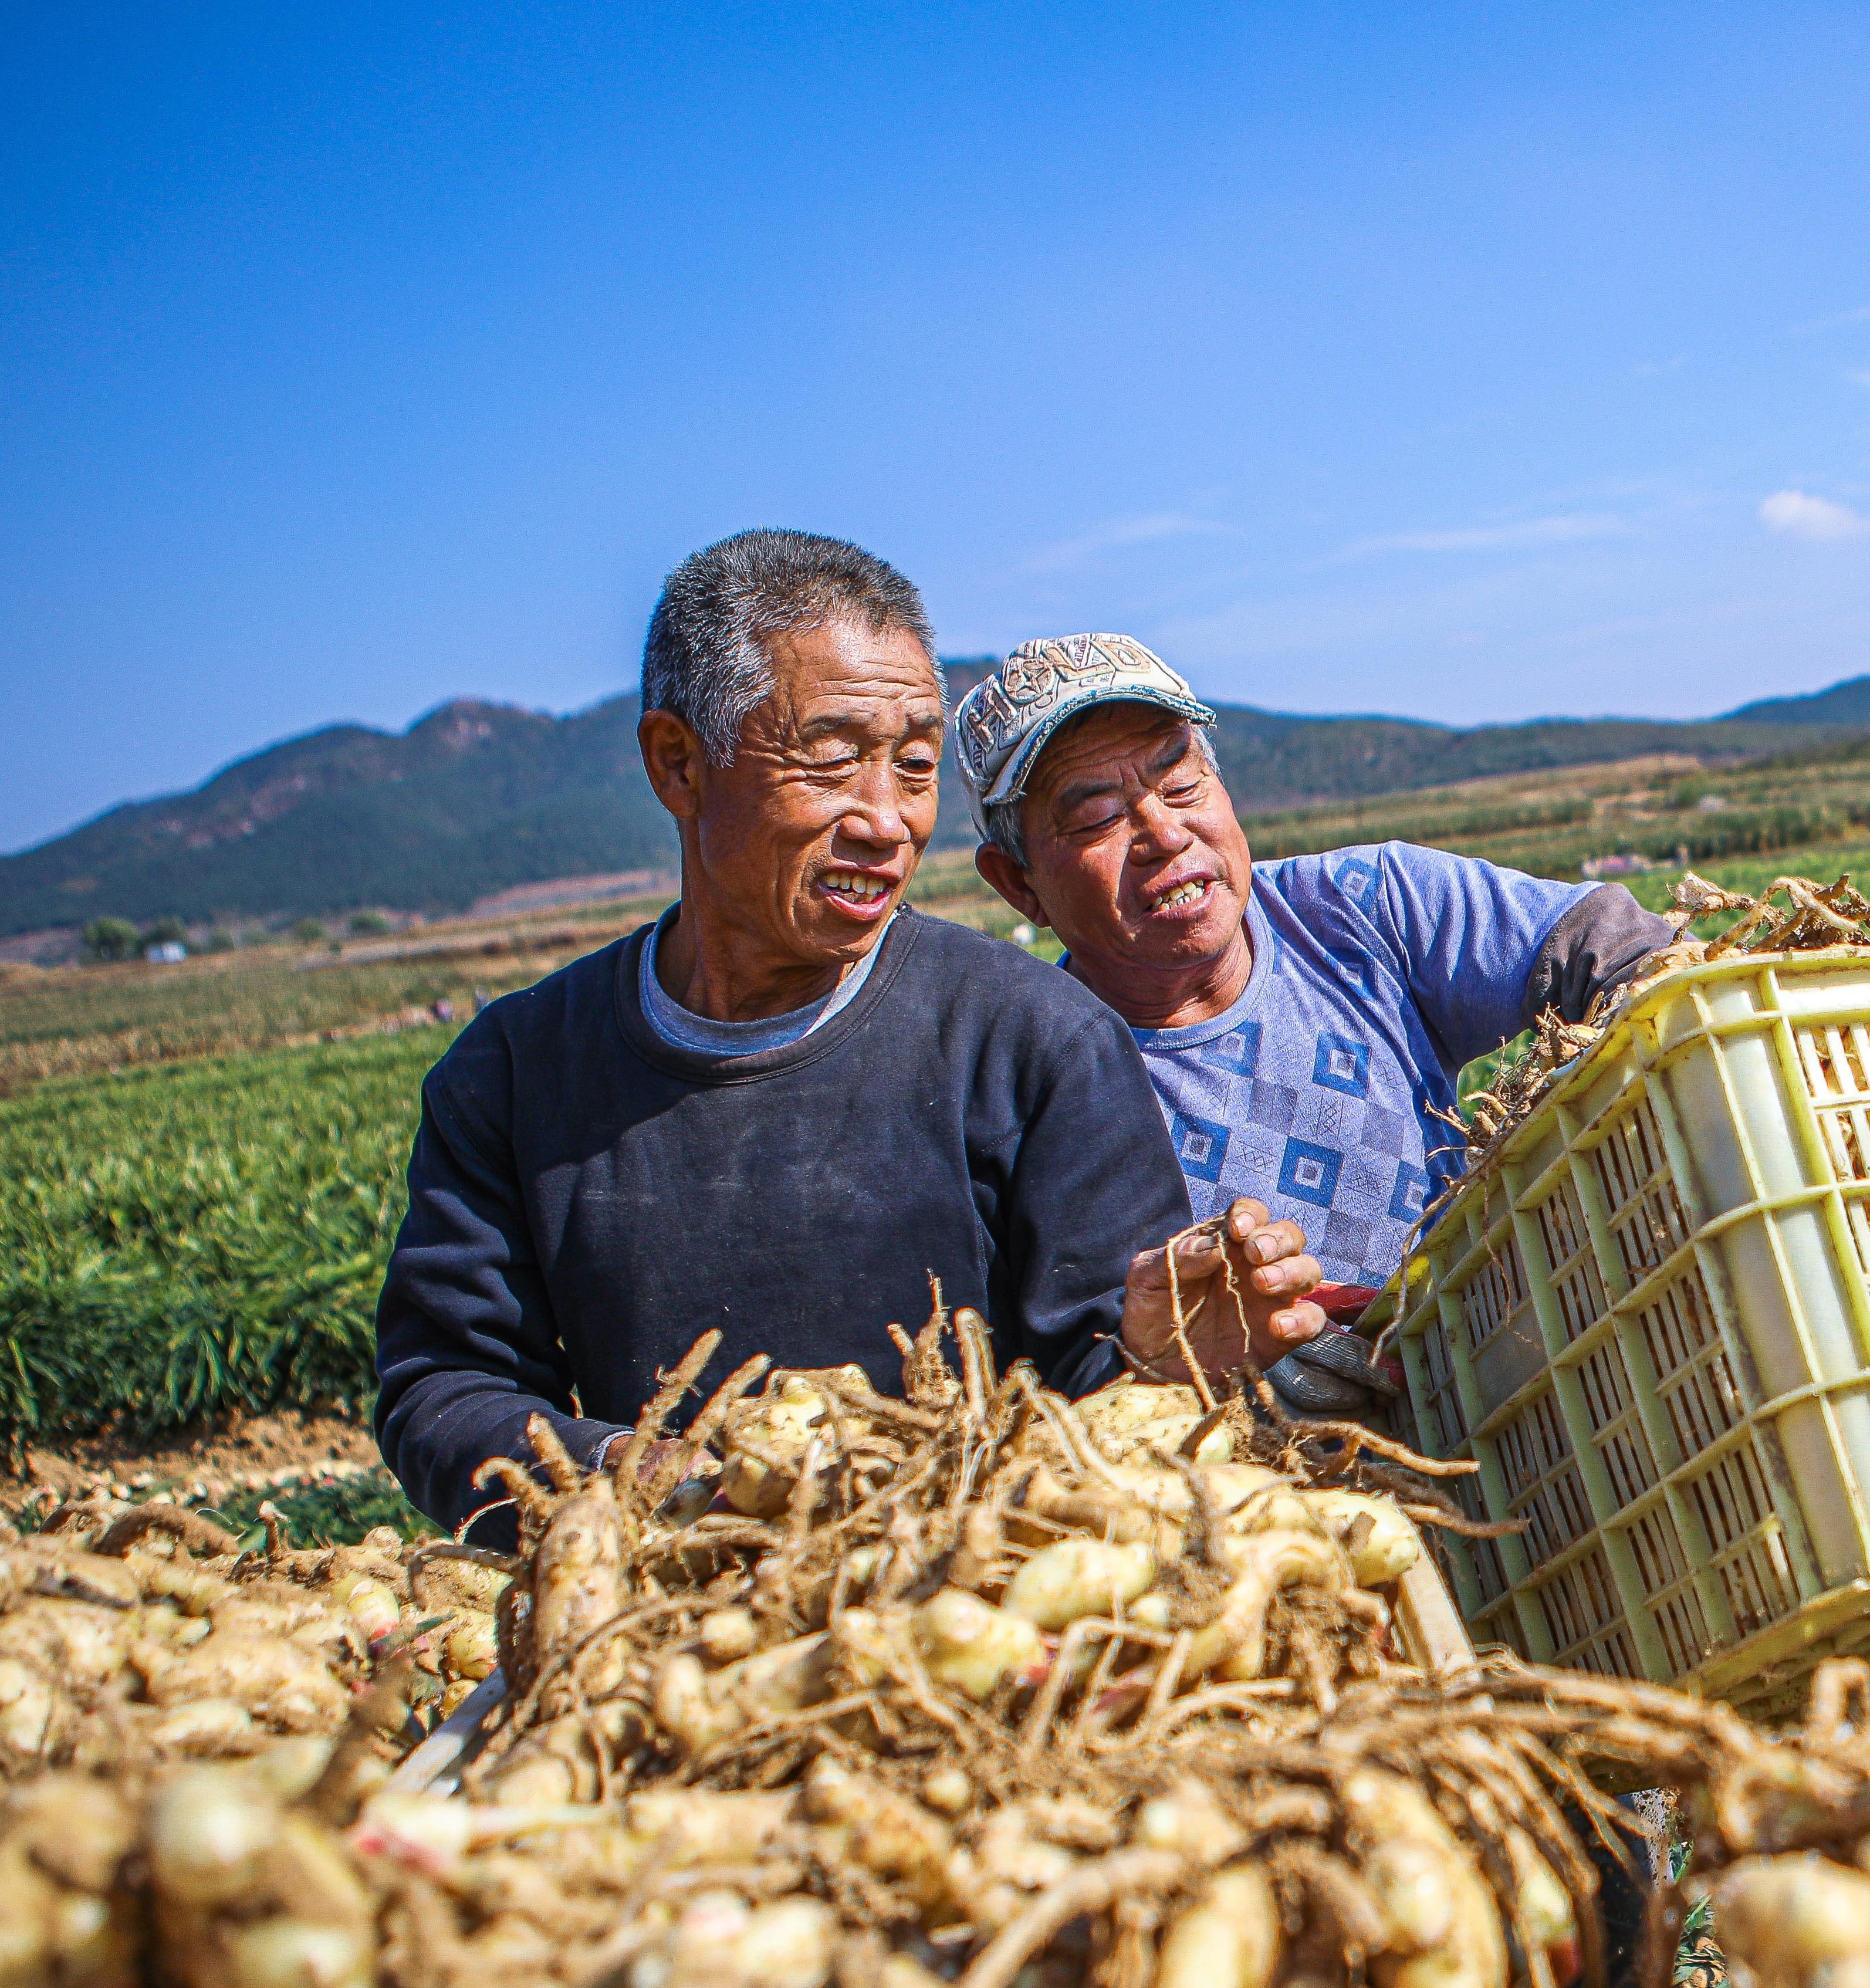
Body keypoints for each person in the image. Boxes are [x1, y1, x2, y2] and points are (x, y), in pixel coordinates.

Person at [376, 532, 1327, 1539]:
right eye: (832, 760)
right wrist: (649, 1479)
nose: (887, 820)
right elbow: (446, 1388)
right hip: (660, 1633)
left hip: (968, 1607)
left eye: (914, 766)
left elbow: (1099, 1392)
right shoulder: (516, 1075)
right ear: (679, 763)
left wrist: (1159, 1363)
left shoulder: (1035, 1042)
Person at [956, 633, 1679, 1414]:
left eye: (1181, 782)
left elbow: (1615, 950)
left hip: (1525, 1384)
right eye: (1097, 816)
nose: (1164, 834)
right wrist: (1186, 1380)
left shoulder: (1361, 905)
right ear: (1018, 886)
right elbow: (1070, 1377)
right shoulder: (1037, 1092)